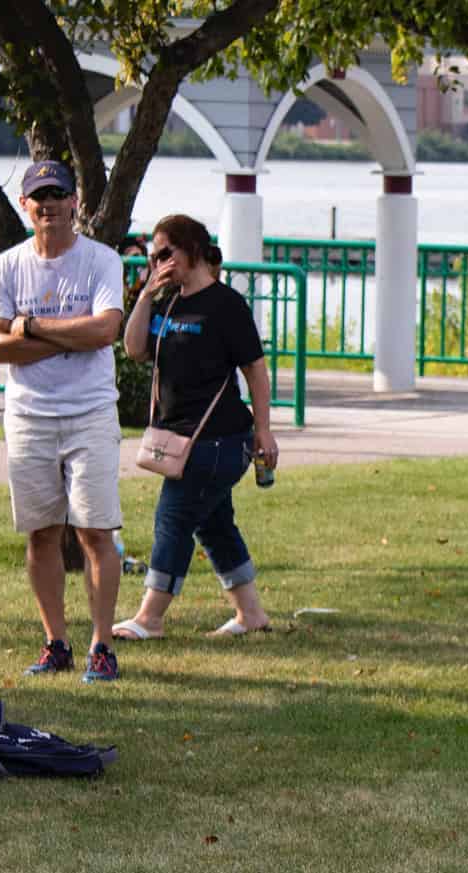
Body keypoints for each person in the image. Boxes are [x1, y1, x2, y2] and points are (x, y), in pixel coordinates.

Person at [0, 161, 129, 683]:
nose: (47, 206)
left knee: (95, 532)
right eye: (37, 197)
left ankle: (102, 645)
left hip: (89, 412)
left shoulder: (102, 261)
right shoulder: (5, 268)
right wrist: (68, 332)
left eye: (57, 196)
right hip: (28, 417)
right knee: (41, 535)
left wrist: (33, 327)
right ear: (25, 205)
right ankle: (55, 642)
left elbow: (105, 331)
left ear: (74, 203)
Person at [111, 214, 283, 642]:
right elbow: (134, 349)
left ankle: (150, 617)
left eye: (165, 254)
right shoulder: (168, 302)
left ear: (192, 250)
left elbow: (256, 372)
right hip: (179, 438)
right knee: (214, 523)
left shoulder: (226, 305)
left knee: (174, 514)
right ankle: (251, 614)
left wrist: (264, 430)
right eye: (153, 257)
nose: (159, 263)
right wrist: (148, 291)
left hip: (222, 439)